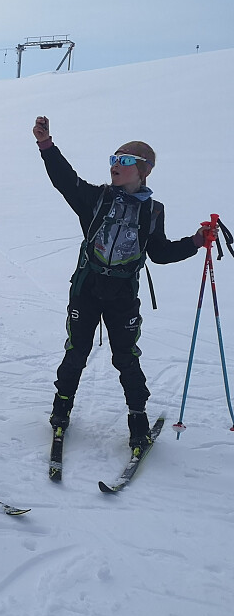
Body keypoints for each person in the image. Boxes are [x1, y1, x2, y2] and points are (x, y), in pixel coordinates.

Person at [33, 115, 206, 451]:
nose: (115, 165)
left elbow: (159, 253)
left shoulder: (153, 211)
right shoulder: (96, 198)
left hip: (123, 294)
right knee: (77, 351)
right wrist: (46, 145)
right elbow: (65, 180)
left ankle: (138, 420)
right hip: (87, 287)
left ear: (143, 171)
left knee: (126, 356)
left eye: (125, 161)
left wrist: (195, 242)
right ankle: (61, 409)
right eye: (114, 159)